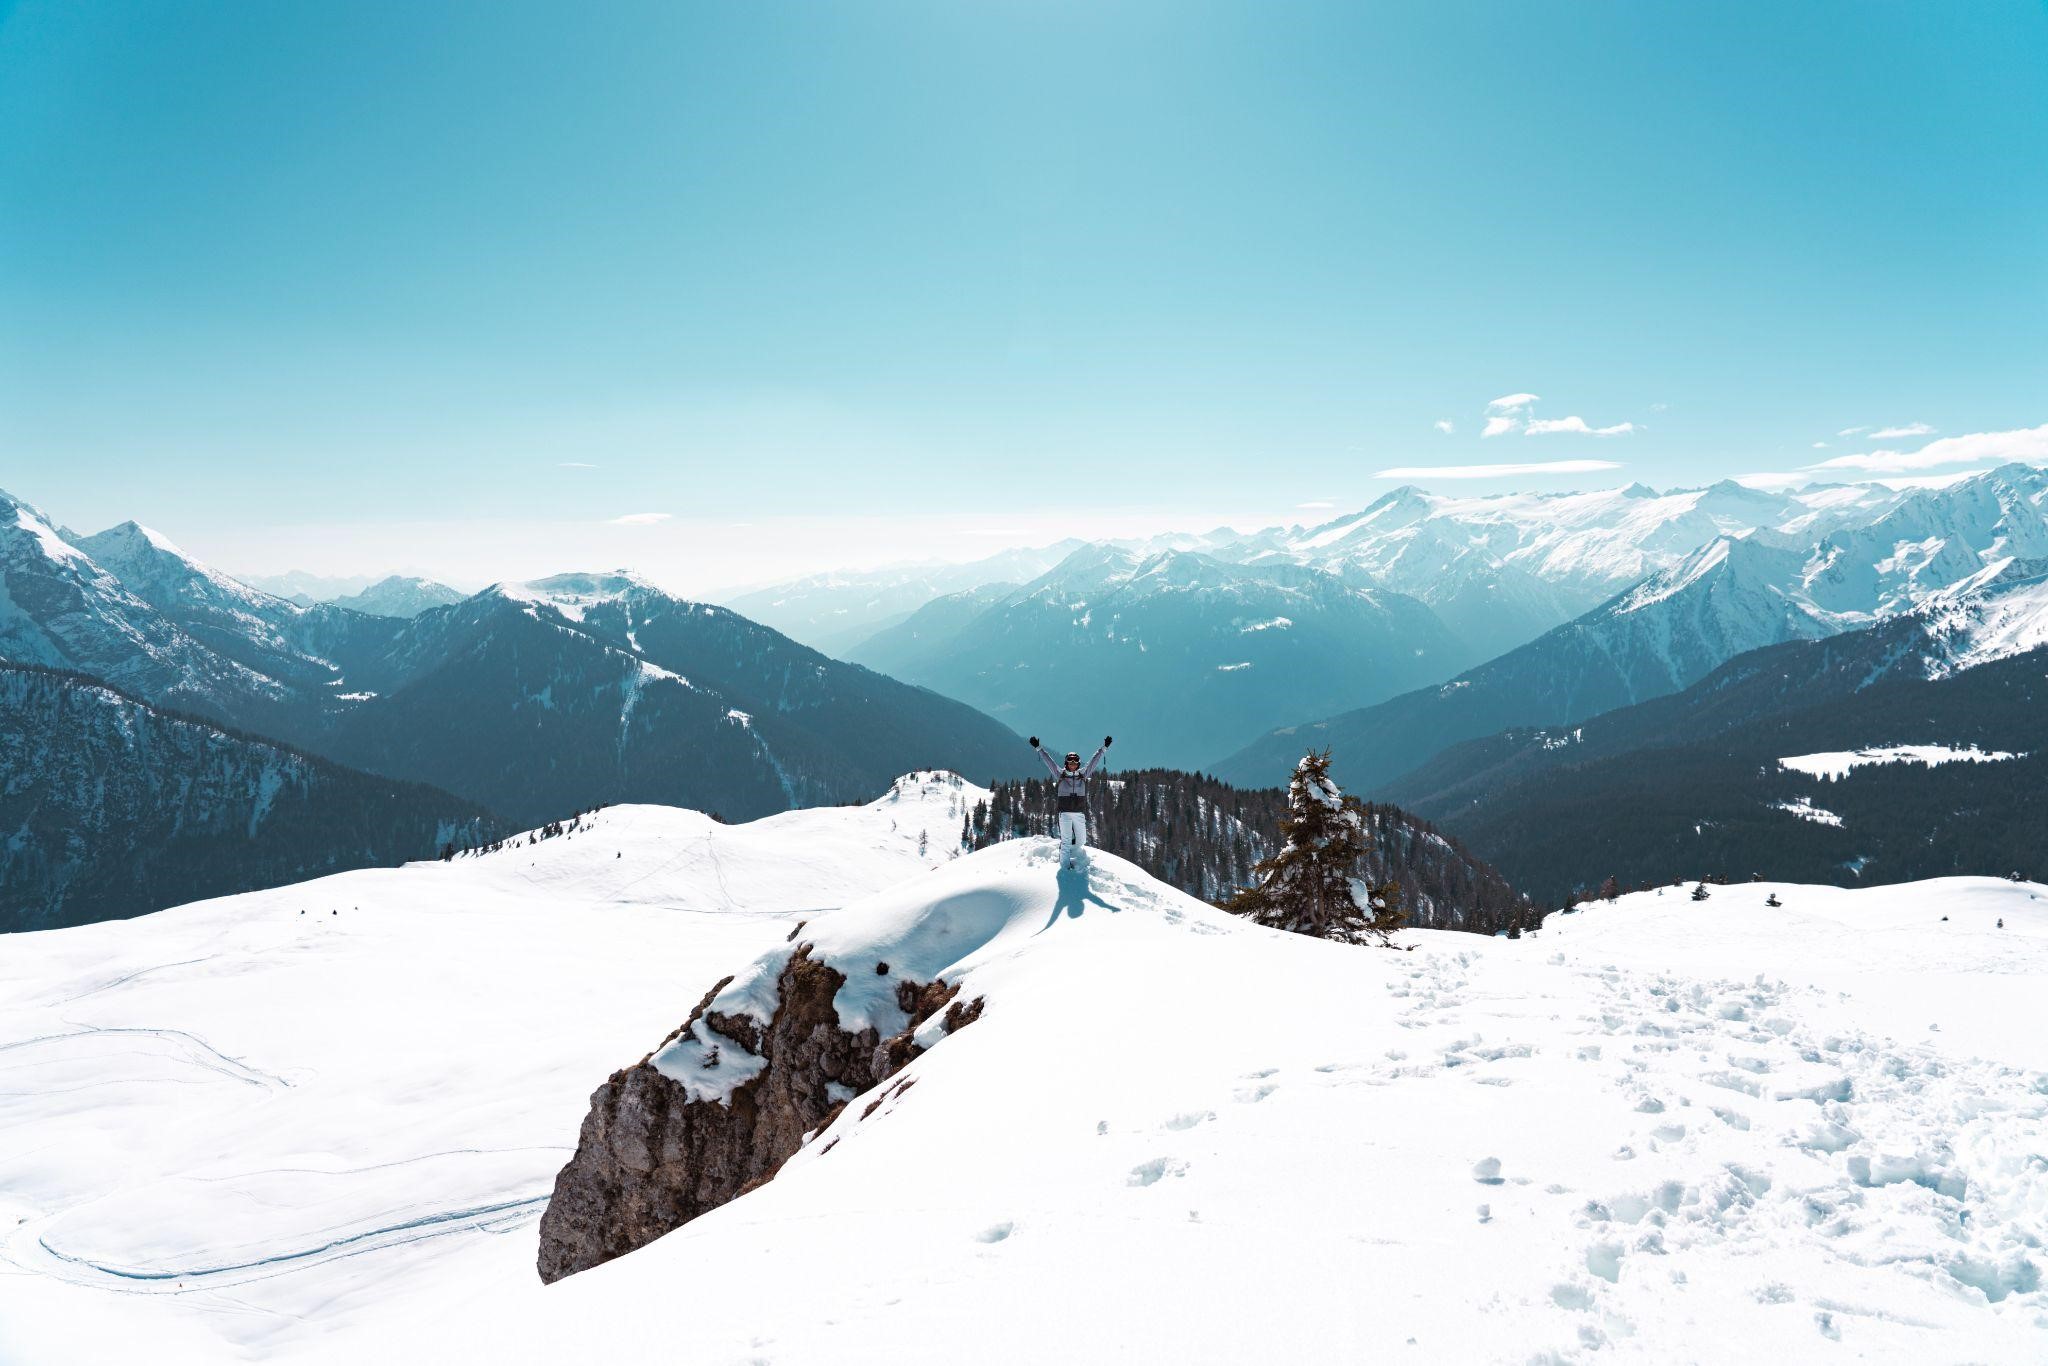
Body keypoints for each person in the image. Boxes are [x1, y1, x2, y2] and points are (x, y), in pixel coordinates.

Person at [1030, 735, 1111, 869]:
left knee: (1081, 840)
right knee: (1066, 841)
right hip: (1065, 813)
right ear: (1066, 763)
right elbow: (1048, 761)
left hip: (1079, 813)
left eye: (1075, 763)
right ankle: (1065, 867)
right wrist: (1039, 748)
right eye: (1070, 763)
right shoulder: (1060, 775)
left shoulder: (1083, 775)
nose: (1072, 765)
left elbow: (1093, 762)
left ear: (1078, 764)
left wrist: (1104, 748)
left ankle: (1068, 849)